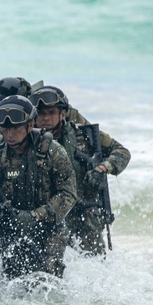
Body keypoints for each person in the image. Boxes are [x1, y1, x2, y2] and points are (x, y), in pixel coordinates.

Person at [0, 95, 77, 278]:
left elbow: (68, 194)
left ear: (30, 126)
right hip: (10, 227)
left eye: (15, 128)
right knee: (7, 277)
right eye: (5, 129)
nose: (10, 134)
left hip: (48, 229)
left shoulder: (53, 152)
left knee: (47, 276)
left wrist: (36, 216)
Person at [32, 85, 130, 256]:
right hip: (48, 215)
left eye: (51, 113)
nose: (46, 118)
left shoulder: (86, 136)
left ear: (63, 114)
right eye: (41, 114)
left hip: (83, 215)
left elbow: (122, 152)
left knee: (94, 264)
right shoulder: (29, 141)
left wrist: (103, 168)